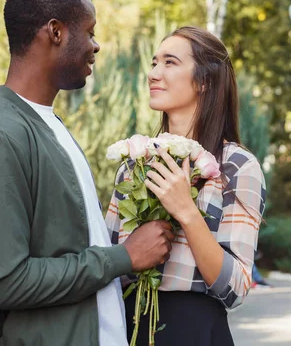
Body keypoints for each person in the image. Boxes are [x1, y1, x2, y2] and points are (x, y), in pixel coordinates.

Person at [0, 0, 175, 346]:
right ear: (55, 31)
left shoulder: (47, 123)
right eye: (89, 32)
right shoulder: (0, 136)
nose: (96, 45)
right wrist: (121, 258)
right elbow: (2, 281)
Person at [106, 26, 267, 345]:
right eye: (154, 63)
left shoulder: (236, 166)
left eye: (169, 62)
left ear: (205, 81)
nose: (154, 73)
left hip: (194, 332)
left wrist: (187, 213)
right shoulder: (134, 162)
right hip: (127, 327)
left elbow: (235, 288)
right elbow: (108, 263)